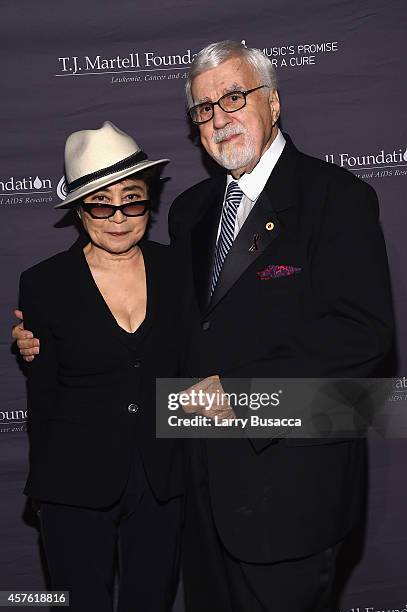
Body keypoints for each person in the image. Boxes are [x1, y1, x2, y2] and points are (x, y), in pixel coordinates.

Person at [15, 41, 395, 612]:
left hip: (289, 491)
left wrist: (240, 393)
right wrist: (43, 338)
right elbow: (179, 329)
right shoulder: (192, 210)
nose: (219, 118)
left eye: (234, 97)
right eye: (203, 109)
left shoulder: (337, 199)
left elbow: (363, 334)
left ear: (274, 103)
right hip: (198, 493)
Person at [15, 121, 184, 612]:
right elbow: (42, 396)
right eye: (99, 203)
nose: (118, 217)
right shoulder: (44, 284)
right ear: (77, 209)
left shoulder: (178, 270)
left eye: (131, 199)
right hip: (71, 484)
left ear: (149, 200)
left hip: (162, 480)